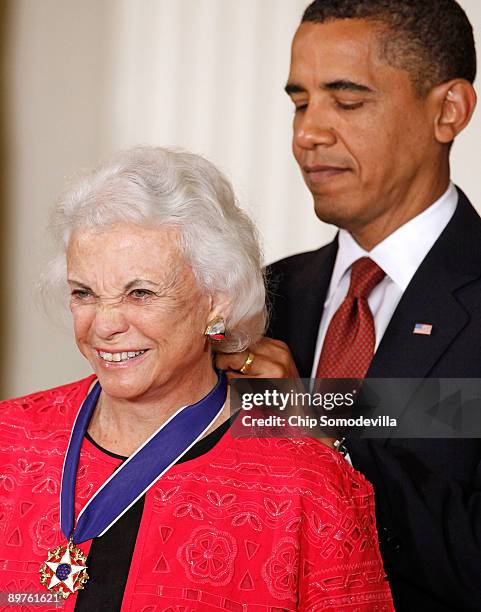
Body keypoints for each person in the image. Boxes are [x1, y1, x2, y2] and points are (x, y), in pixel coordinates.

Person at [0, 146, 393, 611]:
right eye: (84, 293)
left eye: (140, 293)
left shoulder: (309, 485)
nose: (104, 324)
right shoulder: (10, 438)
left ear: (217, 302)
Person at [218, 0, 481, 610]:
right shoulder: (258, 299)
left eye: (347, 100)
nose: (308, 133)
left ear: (449, 110)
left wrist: (325, 437)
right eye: (300, 102)